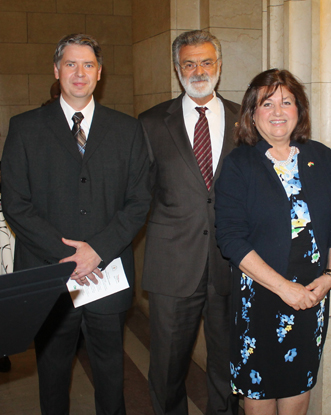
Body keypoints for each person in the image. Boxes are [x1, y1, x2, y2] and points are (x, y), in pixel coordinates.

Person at [2, 33, 151, 415]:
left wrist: (97, 250)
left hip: (107, 275)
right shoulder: (25, 127)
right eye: (70, 64)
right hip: (49, 277)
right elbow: (16, 203)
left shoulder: (127, 130)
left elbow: (139, 201)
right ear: (56, 70)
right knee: (52, 376)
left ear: (100, 73)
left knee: (110, 376)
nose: (79, 73)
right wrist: (69, 255)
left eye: (88, 65)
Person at [215, 68, 331, 414]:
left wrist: (330, 278)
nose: (278, 111)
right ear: (252, 113)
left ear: (299, 110)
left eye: (286, 102)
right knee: (259, 397)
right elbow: (230, 239)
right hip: (259, 301)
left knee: (298, 393)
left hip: (310, 299)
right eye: (267, 104)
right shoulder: (238, 165)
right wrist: (283, 288)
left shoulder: (321, 158)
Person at [138, 30, 240, 415]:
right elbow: (137, 197)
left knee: (228, 366)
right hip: (172, 267)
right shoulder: (150, 123)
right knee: (166, 369)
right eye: (189, 63)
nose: (199, 71)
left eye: (206, 62)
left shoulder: (243, 119)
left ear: (219, 65)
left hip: (231, 263)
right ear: (177, 68)